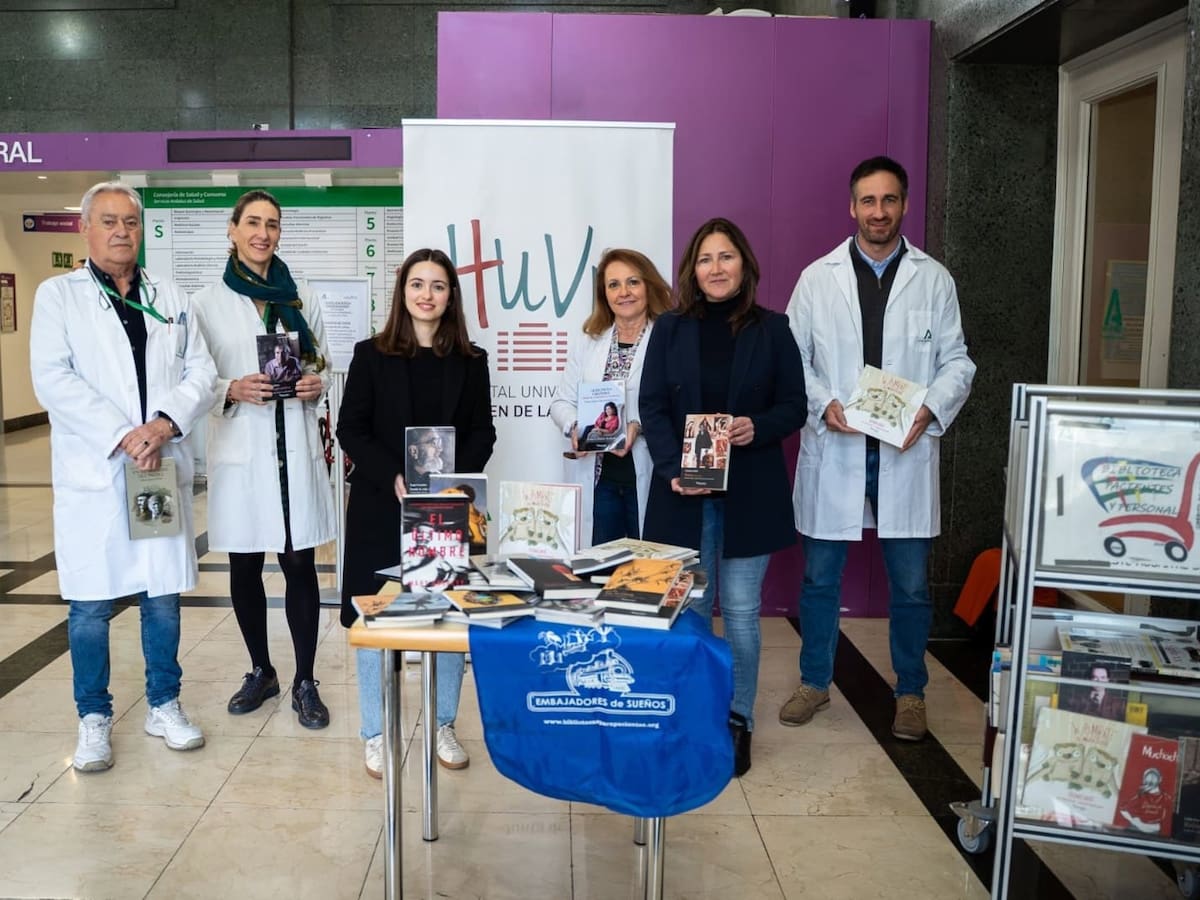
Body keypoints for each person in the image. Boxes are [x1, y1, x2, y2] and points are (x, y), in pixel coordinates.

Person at [781, 156, 975, 741]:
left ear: (905, 205)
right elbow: (793, 359)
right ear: (852, 207)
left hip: (902, 450)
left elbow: (957, 360)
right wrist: (823, 403)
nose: (879, 211)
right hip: (838, 447)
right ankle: (814, 682)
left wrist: (930, 408)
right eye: (868, 200)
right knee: (820, 579)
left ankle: (910, 692)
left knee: (911, 586)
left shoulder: (933, 279)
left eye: (889, 199)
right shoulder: (817, 278)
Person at [30, 181, 217, 772]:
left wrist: (162, 424)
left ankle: (164, 703)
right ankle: (93, 716)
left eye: (130, 222)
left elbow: (201, 371)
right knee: (90, 606)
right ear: (85, 228)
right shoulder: (58, 296)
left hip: (156, 465)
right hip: (99, 468)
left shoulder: (169, 295)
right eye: (108, 221)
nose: (120, 232)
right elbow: (53, 379)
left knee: (161, 596)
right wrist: (123, 434)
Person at [639, 218, 807, 777]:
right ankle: (691, 715)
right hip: (683, 495)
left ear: (744, 265)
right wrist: (671, 469)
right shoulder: (669, 328)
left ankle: (739, 720)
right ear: (693, 270)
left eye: (726, 256)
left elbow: (795, 405)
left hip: (749, 494)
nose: (716, 268)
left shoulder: (773, 329)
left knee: (739, 612)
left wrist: (757, 426)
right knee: (688, 609)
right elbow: (652, 405)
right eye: (705, 258)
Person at [337, 248, 496, 778]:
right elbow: (351, 428)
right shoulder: (370, 355)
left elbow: (483, 432)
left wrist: (454, 484)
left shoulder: (472, 360)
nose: (427, 295)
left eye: (438, 286)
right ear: (402, 292)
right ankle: (375, 731)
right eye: (417, 284)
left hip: (445, 510)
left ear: (451, 297)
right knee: (374, 616)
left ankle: (443, 723)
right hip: (381, 504)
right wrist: (392, 475)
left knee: (446, 613)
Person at [191, 189, 336, 729]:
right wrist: (231, 388)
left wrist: (317, 384)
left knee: (299, 562)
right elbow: (194, 378)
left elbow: (323, 362)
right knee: (245, 563)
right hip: (241, 451)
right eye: (252, 222)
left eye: (272, 224)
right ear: (232, 230)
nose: (263, 233)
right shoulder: (206, 304)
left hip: (292, 450)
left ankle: (305, 681)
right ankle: (261, 670)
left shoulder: (300, 298)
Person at [550, 248, 672, 546]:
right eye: (613, 285)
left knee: (649, 563)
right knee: (600, 567)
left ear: (648, 286)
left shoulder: (669, 338)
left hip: (650, 474)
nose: (624, 292)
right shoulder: (589, 341)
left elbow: (677, 405)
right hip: (599, 482)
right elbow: (561, 403)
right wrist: (576, 427)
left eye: (633, 282)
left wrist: (637, 425)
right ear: (604, 294)